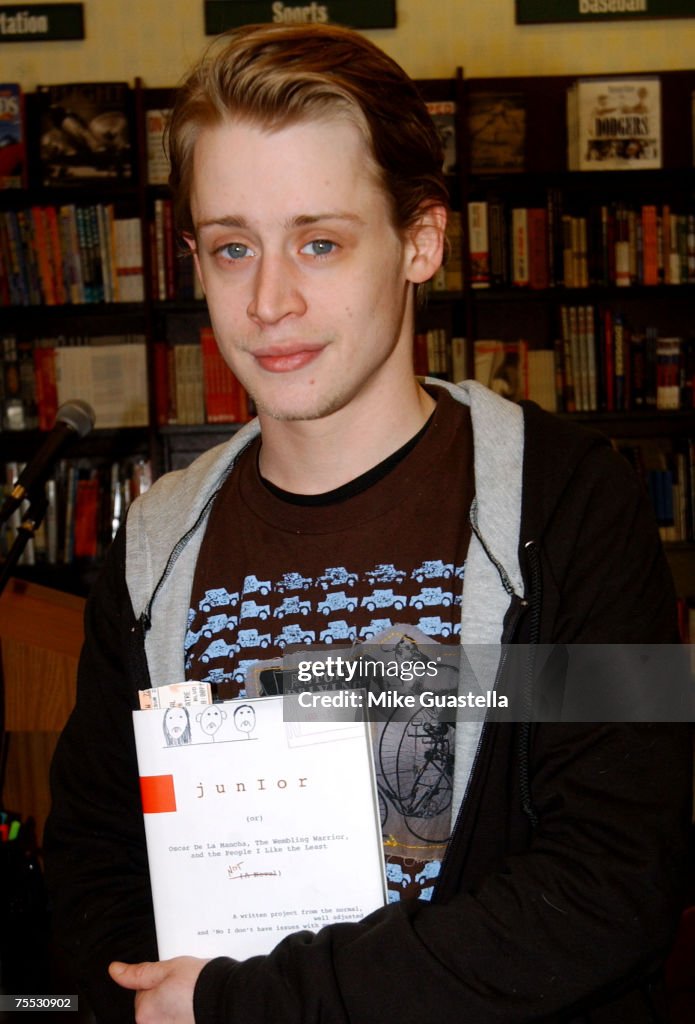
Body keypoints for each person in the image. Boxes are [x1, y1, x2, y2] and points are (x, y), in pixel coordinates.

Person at [44, 22, 692, 1024]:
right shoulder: (154, 543)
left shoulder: (572, 504)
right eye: (231, 248)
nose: (268, 300)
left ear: (419, 241)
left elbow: (616, 877)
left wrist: (249, 1003)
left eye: (319, 242)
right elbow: (93, 855)